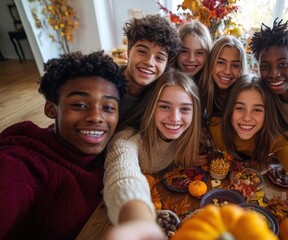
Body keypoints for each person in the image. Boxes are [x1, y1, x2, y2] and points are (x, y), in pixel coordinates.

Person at [0, 51, 126, 240]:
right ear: (52, 109)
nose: (96, 117)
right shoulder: (25, 162)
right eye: (80, 105)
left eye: (108, 107)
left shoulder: (110, 147)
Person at [103, 70, 201, 228]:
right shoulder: (126, 140)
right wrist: (136, 213)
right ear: (151, 107)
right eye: (164, 106)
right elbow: (122, 173)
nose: (175, 118)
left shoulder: (184, 136)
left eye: (185, 109)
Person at [209, 74, 288, 185]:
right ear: (229, 109)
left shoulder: (277, 139)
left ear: (268, 113)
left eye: (257, 110)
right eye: (240, 108)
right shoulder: (215, 127)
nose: (246, 117)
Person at [120, 14, 181, 121]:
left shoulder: (160, 94)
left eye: (159, 58)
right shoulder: (106, 83)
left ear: (166, 64)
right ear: (129, 51)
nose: (149, 62)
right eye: (142, 52)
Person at [200, 35, 248, 118]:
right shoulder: (200, 93)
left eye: (235, 65)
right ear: (211, 62)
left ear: (242, 68)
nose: (227, 71)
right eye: (221, 62)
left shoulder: (246, 96)